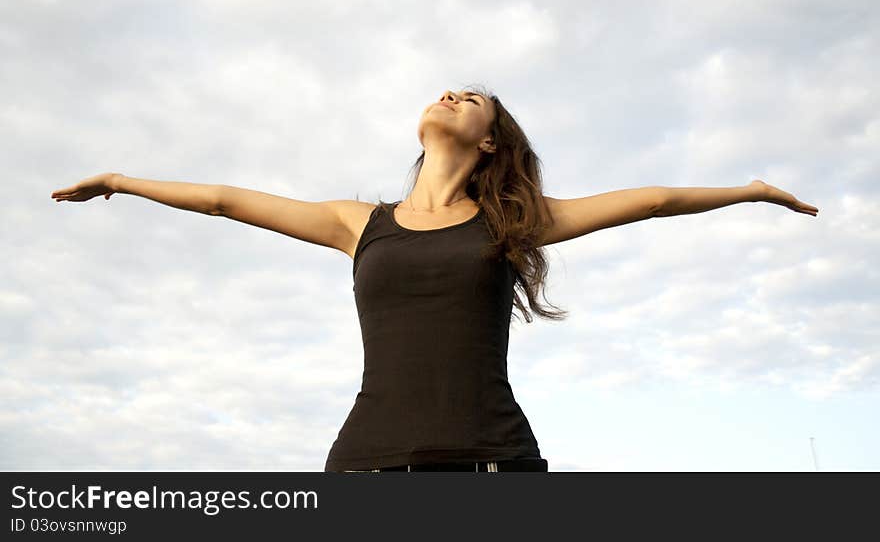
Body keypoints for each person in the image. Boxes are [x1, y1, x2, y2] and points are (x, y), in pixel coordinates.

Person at [50, 84, 820, 473]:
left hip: (493, 461)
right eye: (446, 87)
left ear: (488, 141)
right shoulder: (358, 223)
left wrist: (749, 191)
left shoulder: (514, 221)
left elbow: (651, 202)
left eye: (472, 97)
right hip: (366, 463)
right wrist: (122, 178)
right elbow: (223, 200)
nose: (452, 93)